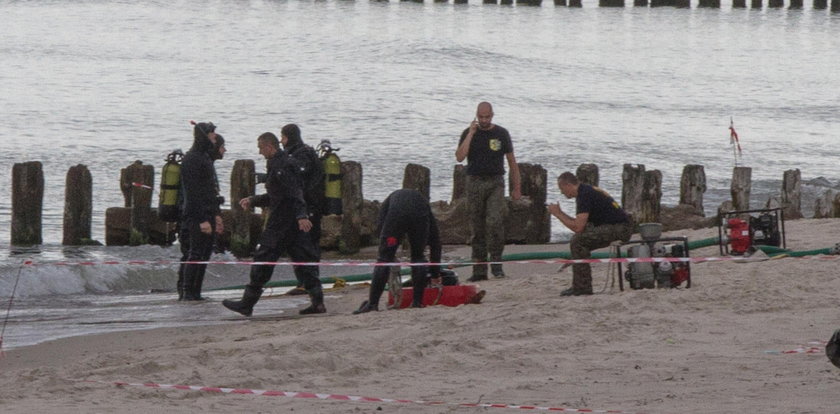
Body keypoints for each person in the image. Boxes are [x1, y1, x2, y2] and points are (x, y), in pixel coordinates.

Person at [222, 132, 325, 316]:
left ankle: (247, 303)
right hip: (291, 224)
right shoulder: (278, 163)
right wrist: (253, 200)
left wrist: (302, 216)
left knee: (263, 259)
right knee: (304, 262)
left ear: (269, 146)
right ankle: (317, 303)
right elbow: (277, 196)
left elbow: (295, 192)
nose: (259, 152)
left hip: (282, 224)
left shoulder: (283, 165)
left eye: (261, 148)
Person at [455, 101, 521, 281]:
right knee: (476, 226)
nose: (484, 120)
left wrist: (517, 188)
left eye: (487, 117)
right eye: (481, 117)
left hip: (495, 182)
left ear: (492, 115)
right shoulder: (468, 133)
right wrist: (470, 134)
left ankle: (497, 265)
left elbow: (512, 162)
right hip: (474, 182)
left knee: (494, 222)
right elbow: (460, 157)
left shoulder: (501, 133)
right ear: (476, 115)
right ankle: (479, 270)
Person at [354, 189, 442, 314]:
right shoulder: (425, 207)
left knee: (384, 260)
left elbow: (380, 229)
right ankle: (417, 302)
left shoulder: (389, 202)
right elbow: (435, 243)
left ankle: (373, 304)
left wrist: (389, 251)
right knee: (418, 257)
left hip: (396, 215)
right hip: (418, 215)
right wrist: (435, 274)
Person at [548, 172, 633, 296]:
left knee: (578, 242)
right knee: (581, 238)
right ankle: (581, 283)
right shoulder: (586, 191)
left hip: (619, 228)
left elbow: (577, 227)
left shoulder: (584, 195)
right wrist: (560, 212)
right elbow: (580, 225)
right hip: (616, 225)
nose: (562, 193)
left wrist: (558, 214)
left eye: (562, 189)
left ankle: (582, 287)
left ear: (568, 185)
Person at [178, 122, 225, 301]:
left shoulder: (205, 157)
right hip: (197, 214)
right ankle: (188, 292)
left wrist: (216, 215)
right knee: (195, 253)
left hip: (208, 211)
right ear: (204, 136)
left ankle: (196, 291)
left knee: (205, 253)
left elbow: (210, 191)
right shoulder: (192, 159)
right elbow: (192, 193)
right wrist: (201, 219)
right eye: (213, 135)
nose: (215, 138)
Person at [280, 124, 325, 295]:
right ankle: (304, 281)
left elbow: (301, 172)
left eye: (283, 137)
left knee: (307, 246)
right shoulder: (296, 152)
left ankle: (308, 283)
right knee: (297, 246)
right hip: (302, 206)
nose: (281, 141)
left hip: (309, 207)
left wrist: (284, 161)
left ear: (289, 137)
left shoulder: (303, 153)